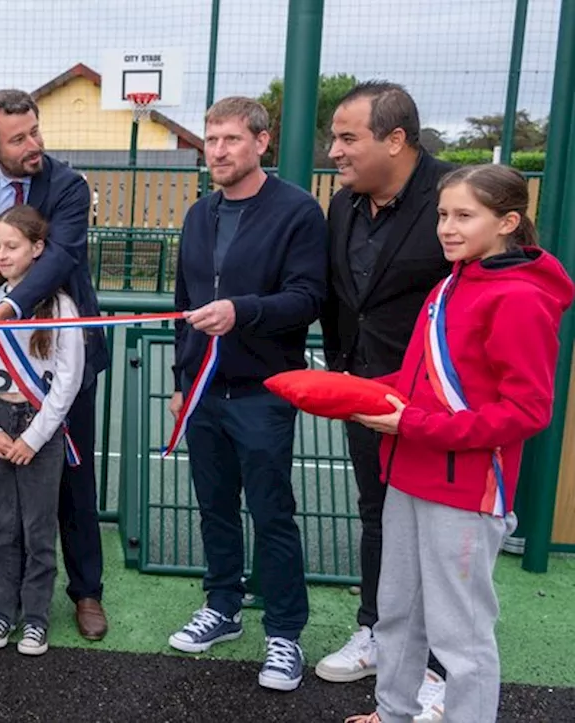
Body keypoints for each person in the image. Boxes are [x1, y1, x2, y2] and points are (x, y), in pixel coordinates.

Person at [345, 165, 572, 723]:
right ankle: (392, 712)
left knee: (461, 636)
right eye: (444, 214)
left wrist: (414, 427)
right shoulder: (451, 282)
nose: (446, 227)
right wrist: (349, 393)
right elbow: (419, 379)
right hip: (408, 473)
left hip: (466, 491)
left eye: (464, 216)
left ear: (508, 222)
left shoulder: (519, 297)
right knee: (396, 614)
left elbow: (526, 412)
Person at [165, 97, 326, 692]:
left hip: (263, 391)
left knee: (271, 513)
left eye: (231, 139)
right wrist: (183, 384)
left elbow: (309, 298)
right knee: (214, 507)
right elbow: (185, 306)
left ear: (262, 143)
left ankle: (285, 634)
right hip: (204, 390)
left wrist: (243, 312)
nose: (218, 151)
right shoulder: (198, 215)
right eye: (211, 140)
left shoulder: (298, 212)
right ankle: (224, 607)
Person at [318, 81, 455, 716]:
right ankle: (375, 629)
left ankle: (438, 667)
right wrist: (341, 372)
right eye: (334, 138)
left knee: (434, 533)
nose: (335, 151)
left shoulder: (454, 199)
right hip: (364, 393)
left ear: (395, 140)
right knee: (378, 516)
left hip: (435, 408)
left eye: (348, 138)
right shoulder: (343, 206)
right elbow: (340, 297)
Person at [0, 88, 110, 640]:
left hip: (61, 355)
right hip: (1, 364)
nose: (34, 145)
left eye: (35, 130)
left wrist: (9, 306)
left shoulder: (68, 185)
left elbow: (64, 256)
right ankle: (15, 594)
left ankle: (86, 591)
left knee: (72, 477)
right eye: (18, 137)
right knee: (7, 489)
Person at [0, 205, 84, 657]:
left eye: (12, 246)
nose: (2, 255)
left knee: (37, 530)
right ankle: (3, 613)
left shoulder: (62, 307)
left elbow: (68, 380)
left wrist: (33, 438)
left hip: (40, 428)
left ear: (38, 249)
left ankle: (35, 620)